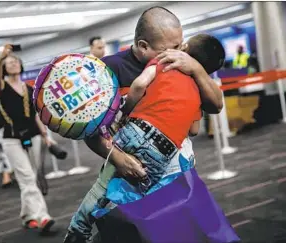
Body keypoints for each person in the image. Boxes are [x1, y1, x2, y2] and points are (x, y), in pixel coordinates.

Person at [64, 6, 223, 243]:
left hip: (175, 172)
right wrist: (119, 159)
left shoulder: (184, 64)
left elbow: (216, 104)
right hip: (127, 172)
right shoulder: (109, 70)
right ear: (143, 46)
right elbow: (89, 129)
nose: (180, 52)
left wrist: (196, 69)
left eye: (181, 45)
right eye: (171, 48)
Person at [112, 34, 225, 192]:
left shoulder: (162, 61)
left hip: (132, 131)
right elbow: (194, 130)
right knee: (148, 192)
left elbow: (139, 84)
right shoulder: (196, 87)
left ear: (184, 47)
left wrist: (126, 112)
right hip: (168, 150)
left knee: (113, 185)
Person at [0, 45, 55, 232]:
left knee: (31, 178)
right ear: (4, 68)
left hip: (33, 135)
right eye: (8, 63)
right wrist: (0, 57)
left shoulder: (28, 88)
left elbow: (35, 115)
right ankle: (43, 217)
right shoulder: (1, 85)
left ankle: (27, 216)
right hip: (11, 138)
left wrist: (46, 136)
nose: (13, 64)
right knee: (26, 177)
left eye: (15, 61)